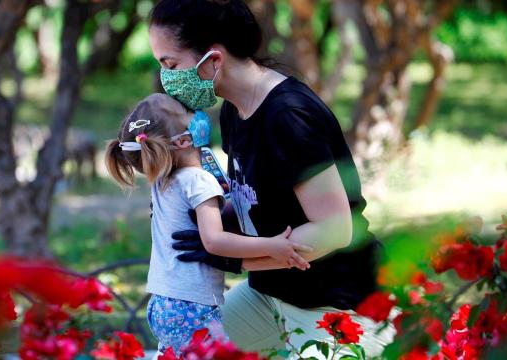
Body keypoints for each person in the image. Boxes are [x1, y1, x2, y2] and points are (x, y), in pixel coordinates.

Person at [148, 0, 393, 356]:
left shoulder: (288, 117)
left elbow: (336, 229)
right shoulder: (235, 109)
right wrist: (202, 213)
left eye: (171, 65)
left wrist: (233, 257)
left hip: (338, 306)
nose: (167, 78)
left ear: (214, 59)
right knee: (184, 351)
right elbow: (256, 200)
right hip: (269, 296)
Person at [104, 93, 312, 355]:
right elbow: (214, 241)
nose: (197, 113)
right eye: (186, 111)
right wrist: (272, 246)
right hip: (192, 306)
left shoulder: (163, 181)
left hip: (162, 302)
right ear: (183, 140)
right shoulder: (199, 181)